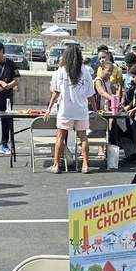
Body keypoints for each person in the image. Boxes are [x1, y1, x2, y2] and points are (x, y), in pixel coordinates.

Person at [47, 45, 95, 174]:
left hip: (65, 109)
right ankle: (85, 165)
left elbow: (56, 92)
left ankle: (56, 165)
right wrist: (95, 110)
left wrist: (49, 108)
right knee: (83, 137)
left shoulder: (61, 71)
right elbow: (90, 95)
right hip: (81, 110)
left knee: (60, 137)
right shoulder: (86, 71)